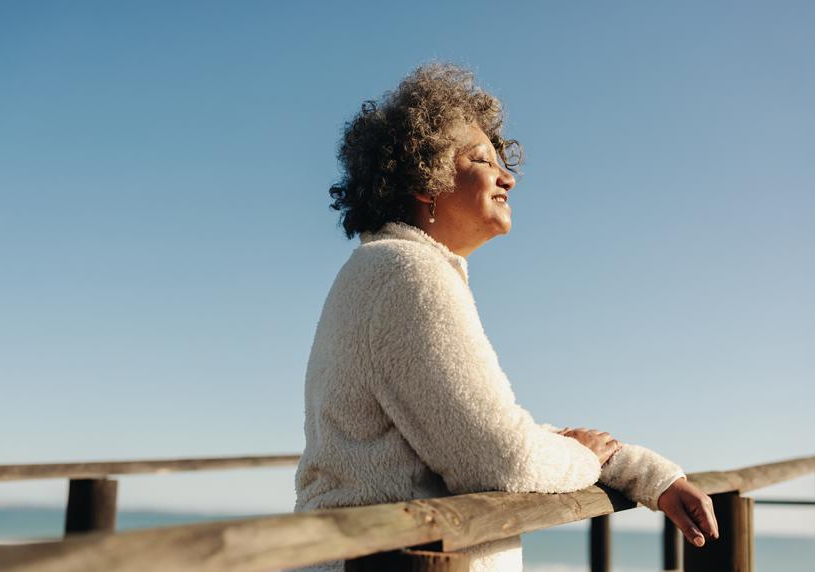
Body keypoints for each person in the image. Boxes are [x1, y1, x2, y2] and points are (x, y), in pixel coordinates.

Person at [292, 63, 718, 572]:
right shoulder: (406, 274)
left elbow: (483, 426)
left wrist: (644, 472)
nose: (508, 177)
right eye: (480, 160)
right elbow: (501, 459)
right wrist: (591, 459)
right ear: (425, 180)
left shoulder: (390, 268)